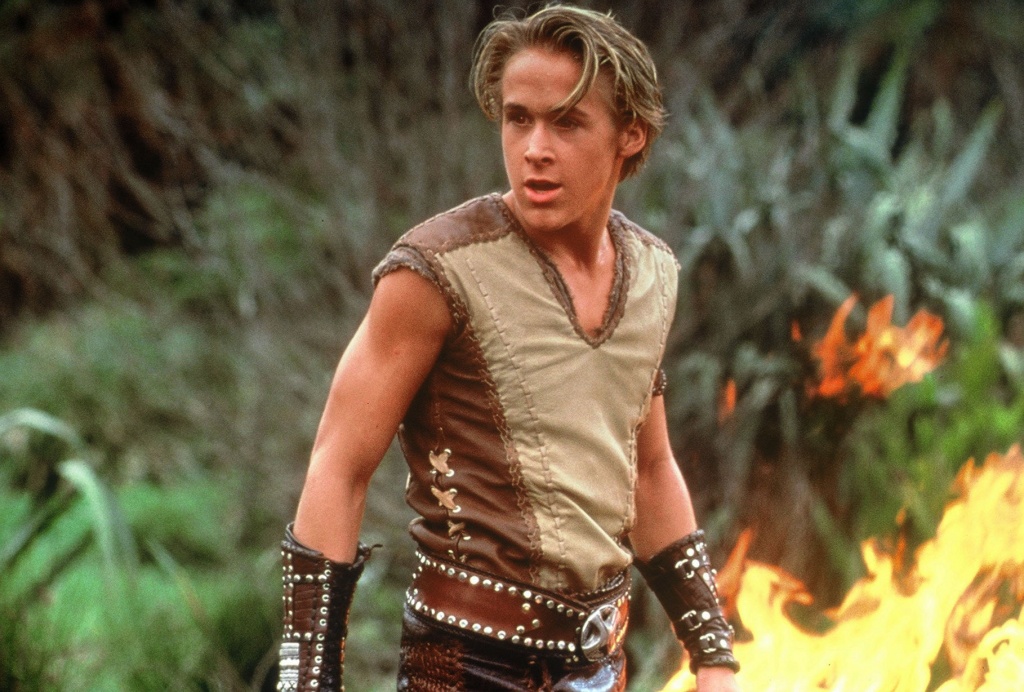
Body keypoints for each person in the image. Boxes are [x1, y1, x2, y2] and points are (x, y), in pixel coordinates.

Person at [275, 5, 740, 691]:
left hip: (600, 666)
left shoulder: (652, 273)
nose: (534, 148)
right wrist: (307, 684)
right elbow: (338, 464)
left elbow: (648, 470)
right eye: (518, 119)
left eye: (567, 122)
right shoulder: (436, 270)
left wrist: (713, 654)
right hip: (466, 666)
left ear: (630, 135)